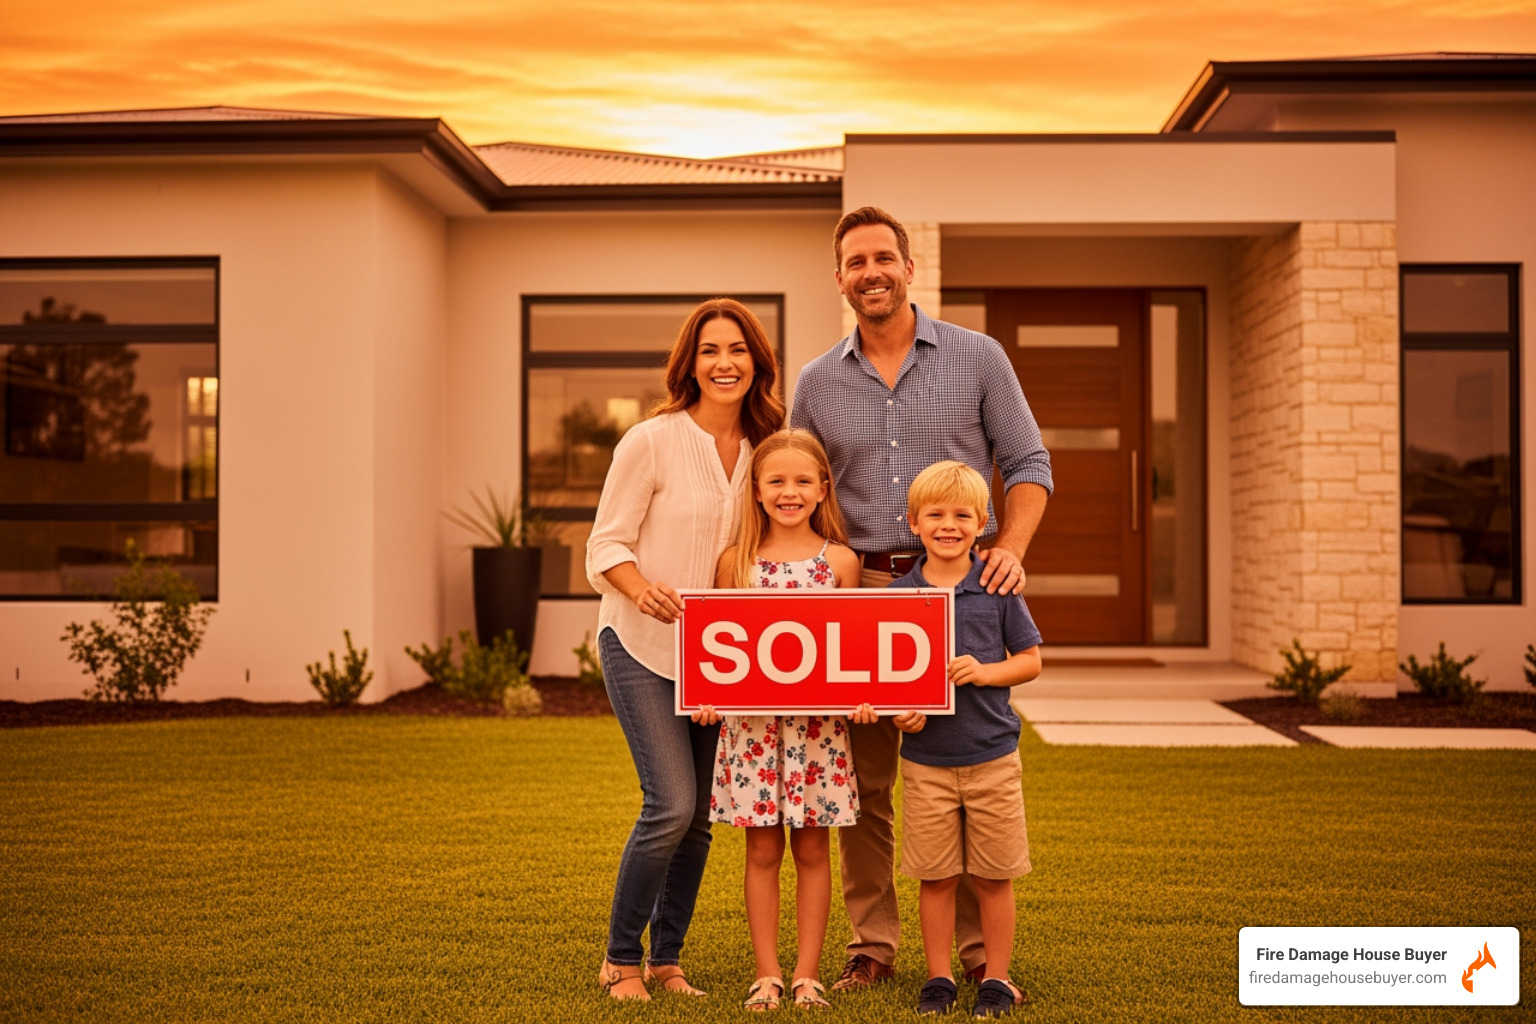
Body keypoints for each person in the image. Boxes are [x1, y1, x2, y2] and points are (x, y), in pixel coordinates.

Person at [790, 206, 1053, 990]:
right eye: (854, 262)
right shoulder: (815, 381)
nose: (870, 272)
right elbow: (799, 488)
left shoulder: (978, 357)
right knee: (866, 782)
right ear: (839, 279)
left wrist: (1007, 550)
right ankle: (871, 946)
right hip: (865, 592)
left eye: (883, 258)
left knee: (966, 765)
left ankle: (979, 959)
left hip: (959, 591)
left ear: (909, 268)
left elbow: (1030, 461)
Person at [586, 297, 784, 1001]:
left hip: (722, 660)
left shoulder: (771, 450)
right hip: (639, 643)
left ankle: (668, 961)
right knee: (668, 805)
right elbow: (604, 543)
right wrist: (641, 589)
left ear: (758, 362)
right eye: (710, 350)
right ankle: (620, 960)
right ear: (689, 363)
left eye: (738, 350)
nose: (725, 363)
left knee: (699, 819)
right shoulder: (652, 440)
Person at [696, 428, 872, 1010]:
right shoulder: (735, 562)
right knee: (763, 852)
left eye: (802, 481)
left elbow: (855, 652)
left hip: (819, 734)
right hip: (751, 734)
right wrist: (707, 693)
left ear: (823, 488)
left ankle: (807, 974)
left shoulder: (841, 563)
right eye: (776, 480)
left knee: (815, 851)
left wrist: (865, 698)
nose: (789, 491)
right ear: (757, 490)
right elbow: (717, 649)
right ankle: (766, 972)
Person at [891, 461, 1041, 1017]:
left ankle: (996, 980)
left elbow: (1030, 661)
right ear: (913, 522)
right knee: (936, 876)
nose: (948, 524)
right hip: (926, 762)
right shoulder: (901, 598)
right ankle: (939, 979)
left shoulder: (997, 588)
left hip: (992, 756)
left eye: (962, 515)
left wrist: (984, 671)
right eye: (935, 514)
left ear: (983, 523)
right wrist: (900, 716)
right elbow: (893, 685)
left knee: (993, 875)